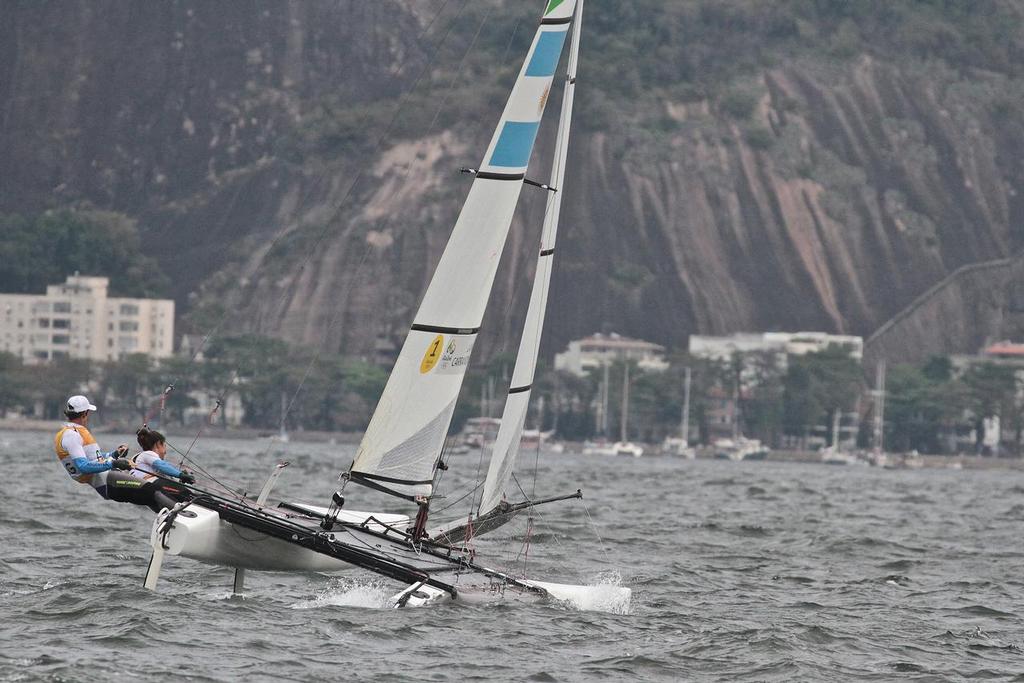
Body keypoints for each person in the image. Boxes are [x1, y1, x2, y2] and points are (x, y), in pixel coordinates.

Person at [54, 395, 131, 499]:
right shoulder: (71, 434)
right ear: (85, 413)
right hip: (106, 482)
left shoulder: (70, 432)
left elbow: (93, 457)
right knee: (151, 491)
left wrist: (114, 454)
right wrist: (113, 463)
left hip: (105, 480)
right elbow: (84, 466)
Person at [122, 427, 194, 513]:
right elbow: (161, 465)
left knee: (177, 506)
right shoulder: (148, 454)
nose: (165, 451)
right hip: (153, 486)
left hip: (146, 493)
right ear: (158, 444)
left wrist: (181, 478)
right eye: (164, 446)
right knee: (190, 496)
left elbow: (165, 472)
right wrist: (181, 475)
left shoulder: (138, 459)